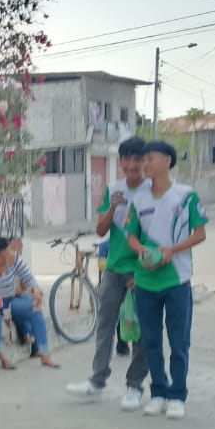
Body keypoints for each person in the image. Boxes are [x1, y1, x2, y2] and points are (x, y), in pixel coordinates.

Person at [66, 136, 151, 410]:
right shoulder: (113, 190)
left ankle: (134, 386)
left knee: (141, 330)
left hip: (143, 271)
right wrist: (113, 206)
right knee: (104, 326)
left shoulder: (153, 190)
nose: (131, 165)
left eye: (137, 159)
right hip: (114, 269)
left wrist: (143, 271)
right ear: (121, 161)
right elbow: (101, 230)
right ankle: (97, 380)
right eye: (126, 159)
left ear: (145, 161)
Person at [125, 140, 208, 419]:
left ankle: (178, 395)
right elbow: (131, 236)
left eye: (150, 158)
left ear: (168, 162)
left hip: (176, 280)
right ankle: (158, 392)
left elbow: (200, 233)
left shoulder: (186, 196)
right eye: (144, 159)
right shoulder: (139, 199)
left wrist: (172, 251)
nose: (145, 163)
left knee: (178, 341)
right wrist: (142, 251)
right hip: (145, 281)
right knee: (150, 341)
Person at [0, 234, 60, 369]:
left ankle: (45, 354)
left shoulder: (13, 258)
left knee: (34, 308)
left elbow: (28, 278)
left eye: (8, 254)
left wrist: (35, 289)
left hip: (10, 301)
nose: (7, 259)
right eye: (3, 257)